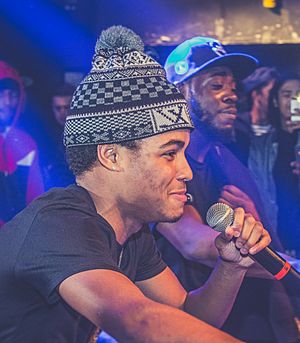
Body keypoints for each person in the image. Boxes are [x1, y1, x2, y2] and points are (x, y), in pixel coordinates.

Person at [0, 26, 272, 343]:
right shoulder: (58, 225)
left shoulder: (131, 233)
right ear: (112, 156)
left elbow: (188, 316)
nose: (186, 171)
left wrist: (231, 267)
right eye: (169, 153)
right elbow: (141, 322)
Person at [155, 37, 299, 342]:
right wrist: (257, 246)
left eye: (233, 87)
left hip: (257, 325)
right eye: (216, 85)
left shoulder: (226, 159)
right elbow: (193, 243)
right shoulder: (161, 165)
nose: (231, 96)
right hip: (200, 328)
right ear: (179, 93)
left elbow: (267, 238)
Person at [235, 67, 279, 232]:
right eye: (272, 92)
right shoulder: (234, 131)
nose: (276, 99)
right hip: (249, 220)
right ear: (256, 94)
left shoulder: (282, 133)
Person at [0, 60, 44, 227]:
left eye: (12, 94)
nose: (7, 102)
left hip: (16, 237)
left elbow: (35, 195)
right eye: (1, 94)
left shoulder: (26, 143)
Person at [271, 73, 300, 258]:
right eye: (286, 94)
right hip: (277, 235)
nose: (293, 101)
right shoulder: (261, 143)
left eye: (298, 95)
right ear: (275, 101)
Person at [42, 82, 75, 189]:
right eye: (58, 108)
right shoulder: (46, 137)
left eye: (66, 107)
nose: (62, 113)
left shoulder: (85, 136)